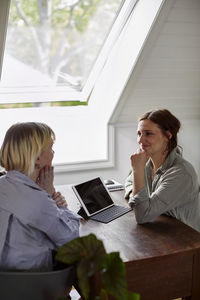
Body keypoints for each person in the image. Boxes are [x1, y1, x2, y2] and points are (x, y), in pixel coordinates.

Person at [0, 122, 81, 271]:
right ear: (37, 158)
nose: (53, 153)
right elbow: (72, 240)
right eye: (51, 148)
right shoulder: (37, 199)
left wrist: (47, 197)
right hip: (33, 283)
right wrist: (52, 197)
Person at [124, 109, 200, 232]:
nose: (140, 140)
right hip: (160, 231)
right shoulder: (147, 163)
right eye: (139, 134)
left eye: (148, 133)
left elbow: (142, 216)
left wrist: (137, 171)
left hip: (185, 243)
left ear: (168, 136)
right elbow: (128, 183)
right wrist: (137, 196)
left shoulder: (181, 174)